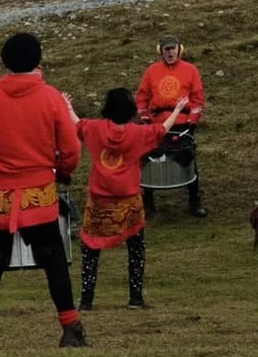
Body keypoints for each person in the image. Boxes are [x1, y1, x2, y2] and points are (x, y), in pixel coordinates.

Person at [0, 32, 85, 349]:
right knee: (54, 259)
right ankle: (70, 328)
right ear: (38, 61)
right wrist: (64, 171)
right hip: (39, 193)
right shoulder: (52, 98)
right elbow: (71, 148)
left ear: (5, 62)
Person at [75, 87, 184, 311]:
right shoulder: (138, 134)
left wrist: (66, 105)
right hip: (129, 201)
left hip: (99, 201)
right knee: (136, 248)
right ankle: (135, 297)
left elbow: (77, 123)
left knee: (90, 249)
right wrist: (179, 109)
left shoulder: (95, 129)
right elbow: (162, 129)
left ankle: (86, 299)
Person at [136, 37, 208, 217]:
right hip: (157, 124)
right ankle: (149, 201)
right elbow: (142, 97)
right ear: (160, 51)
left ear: (179, 49)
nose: (170, 52)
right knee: (148, 159)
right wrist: (145, 118)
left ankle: (194, 200)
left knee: (188, 158)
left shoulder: (191, 70)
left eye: (173, 48)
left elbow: (198, 98)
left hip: (183, 124)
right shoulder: (151, 71)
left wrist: (192, 121)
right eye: (166, 49)